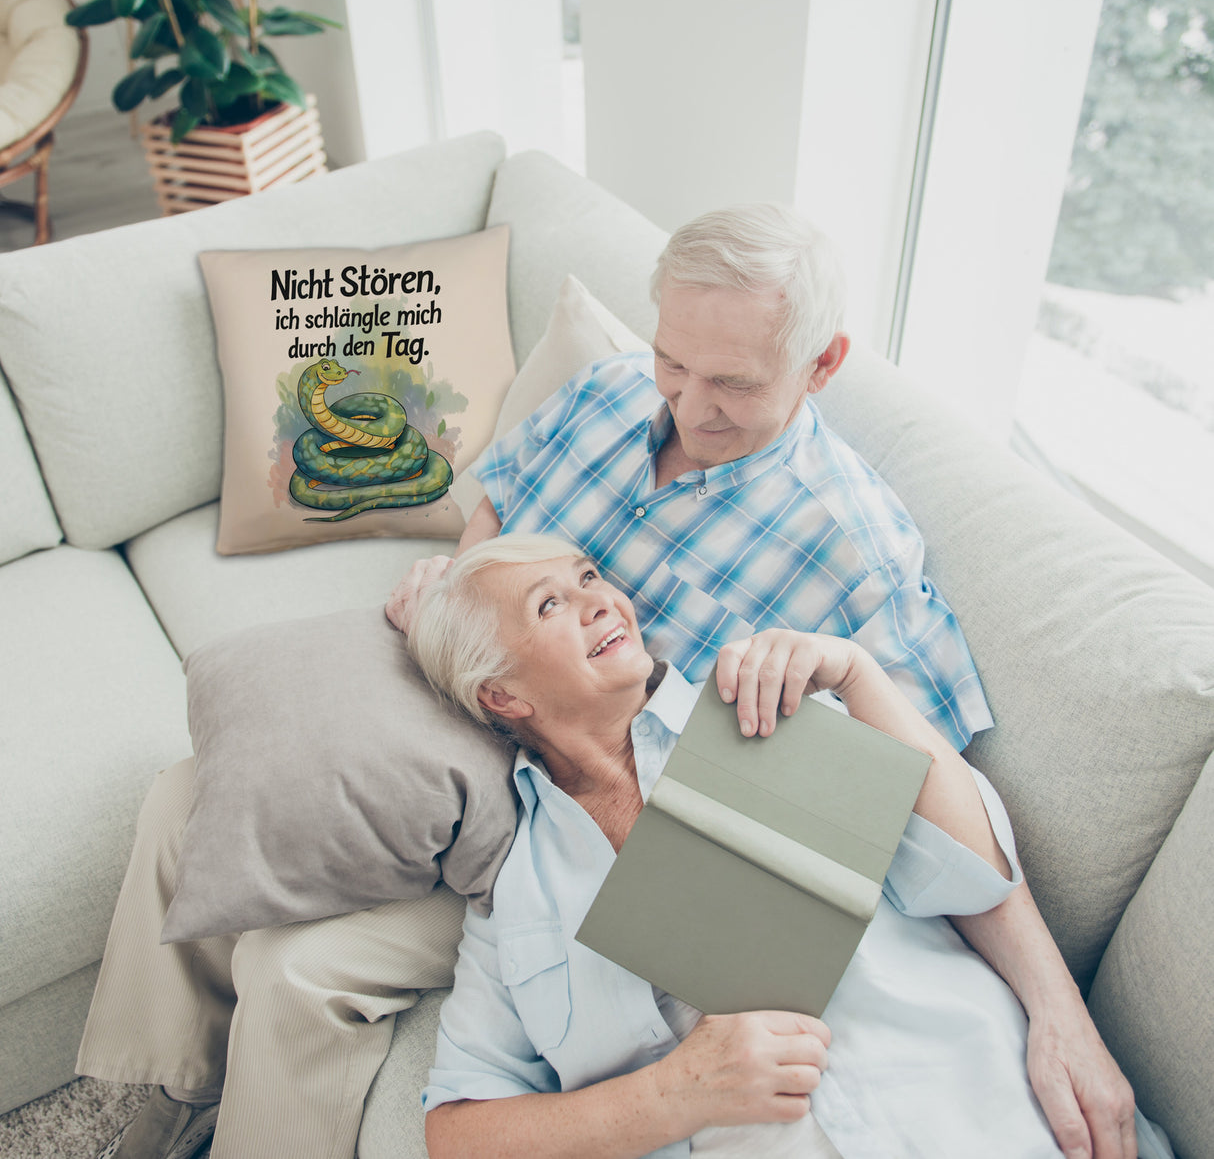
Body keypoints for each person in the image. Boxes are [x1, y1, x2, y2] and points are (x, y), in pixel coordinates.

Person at [389, 204, 1136, 1158]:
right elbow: (498, 498)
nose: (689, 407)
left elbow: (945, 831)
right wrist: (462, 598)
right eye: (674, 363)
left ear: (822, 365)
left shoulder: (831, 605)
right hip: (494, 779)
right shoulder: (608, 395)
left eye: (732, 383)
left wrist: (1058, 1014)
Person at [406, 533, 1160, 1159]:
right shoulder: (516, 897)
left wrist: (859, 676)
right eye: (550, 604)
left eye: (589, 577)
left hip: (985, 1112)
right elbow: (458, 1133)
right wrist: (674, 1094)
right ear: (502, 695)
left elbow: (972, 873)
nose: (601, 599)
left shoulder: (761, 706)